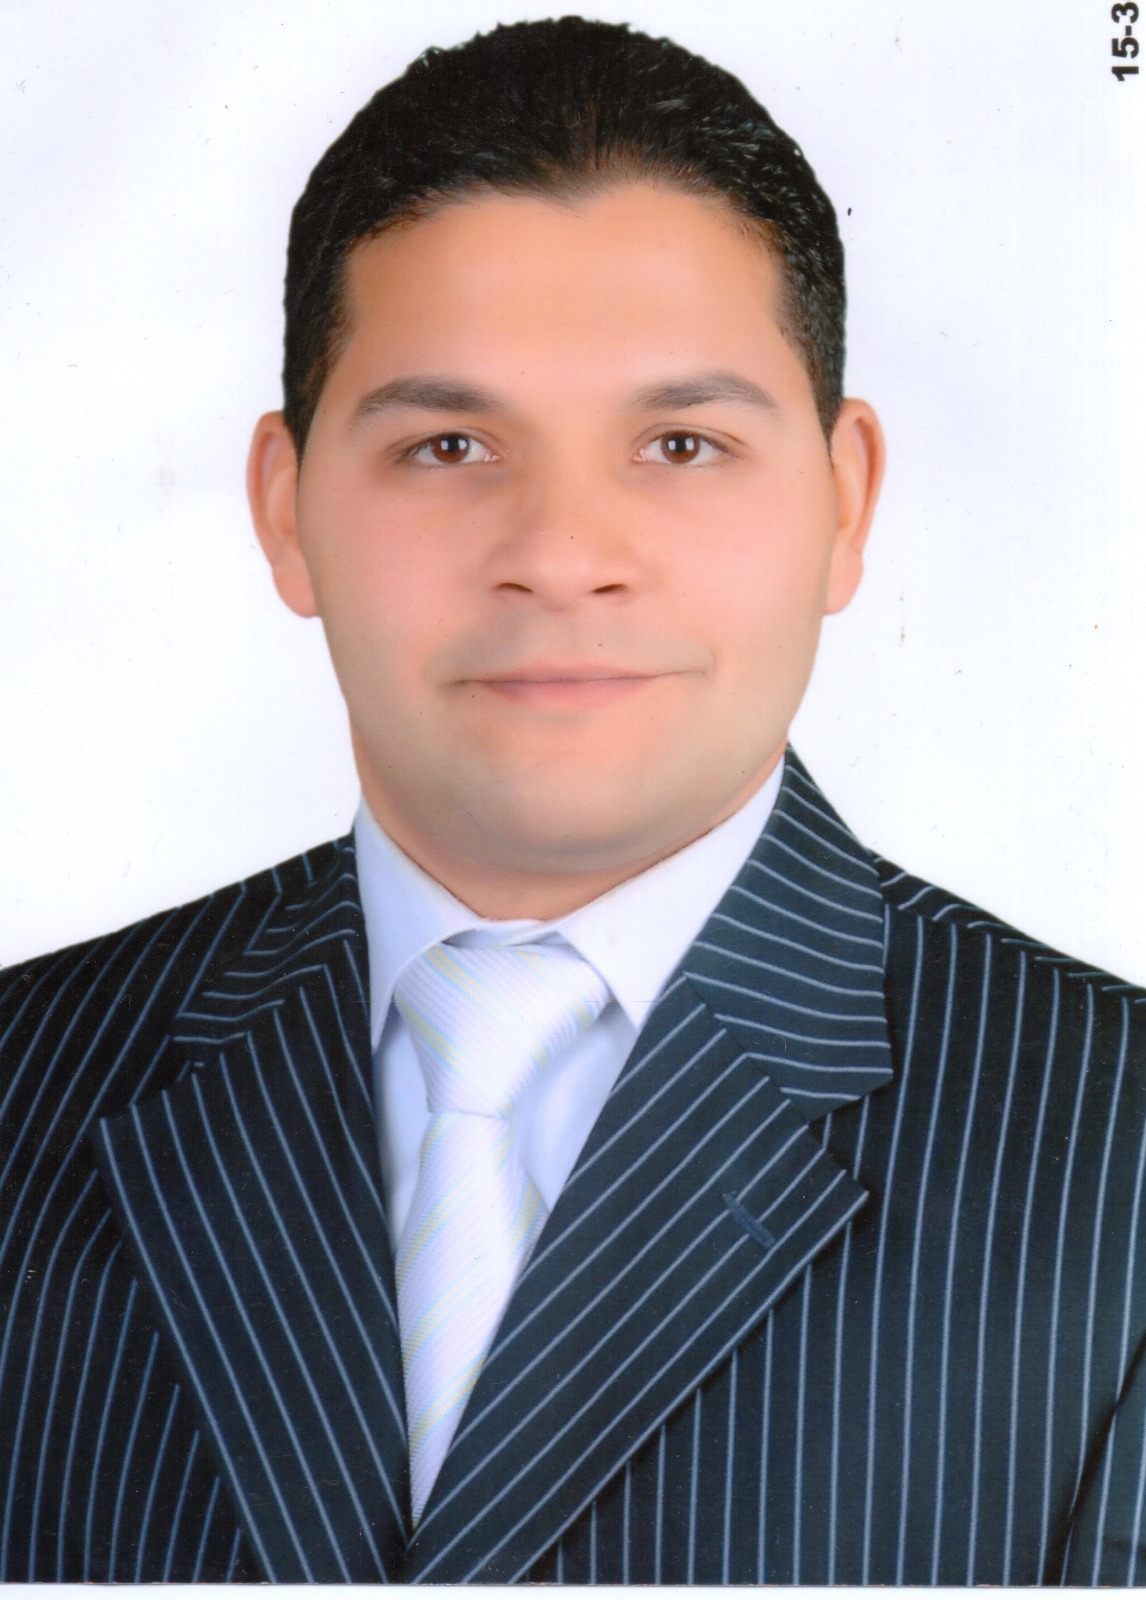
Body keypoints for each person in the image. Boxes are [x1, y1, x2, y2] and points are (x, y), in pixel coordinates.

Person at [1, 15, 1143, 1586]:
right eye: (447, 443)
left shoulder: (1110, 1150)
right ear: (285, 506)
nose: (558, 554)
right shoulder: (25, 1084)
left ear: (842, 501)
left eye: (679, 443)